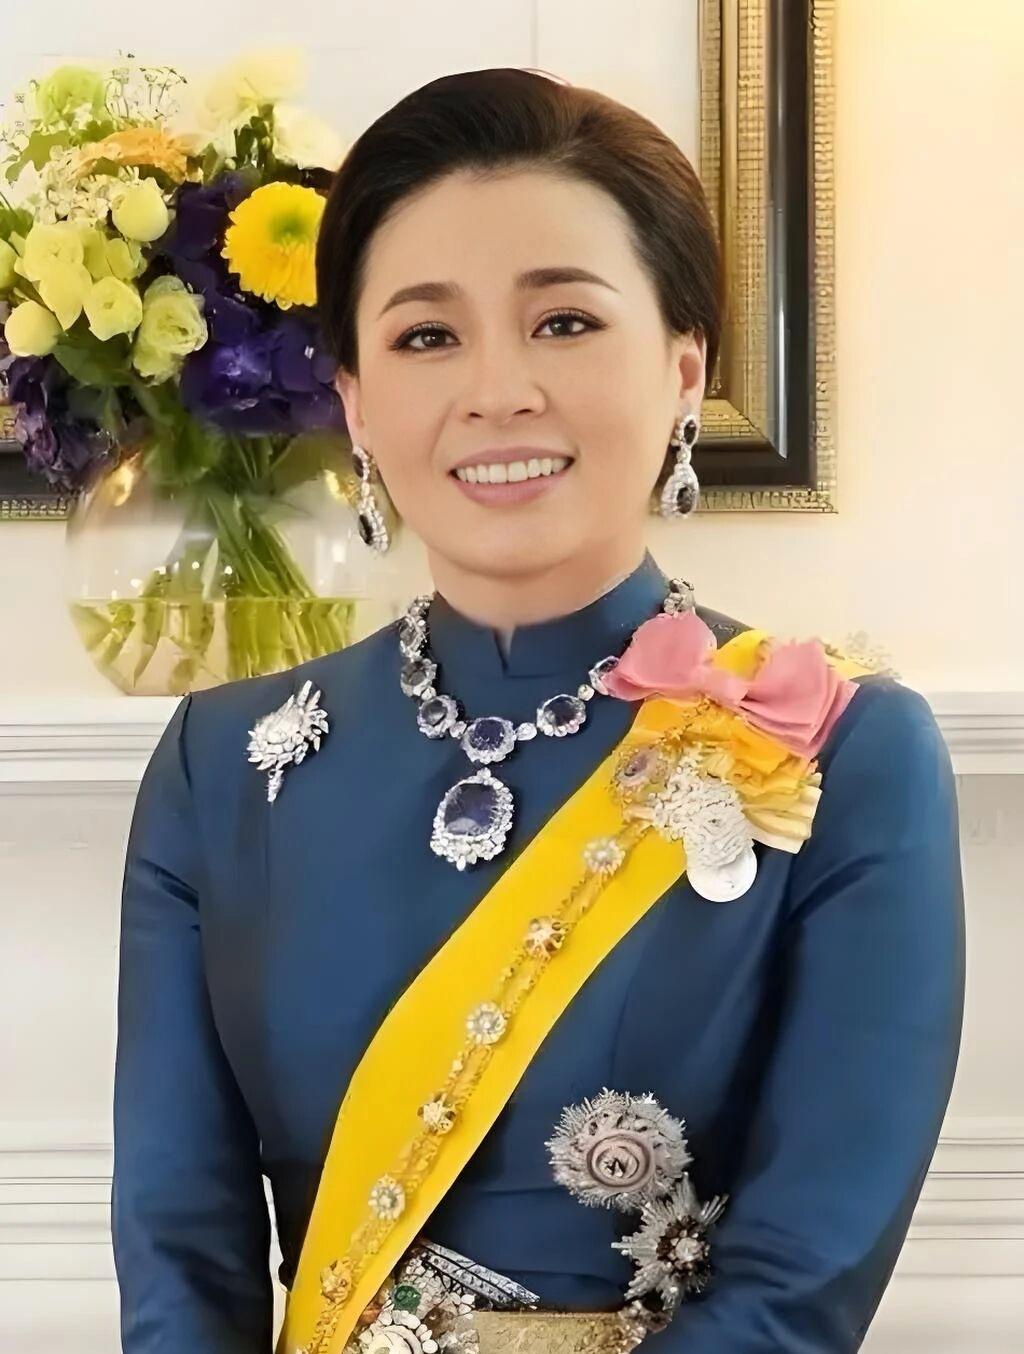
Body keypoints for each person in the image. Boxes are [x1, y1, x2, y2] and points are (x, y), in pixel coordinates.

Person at [111, 69, 966, 1354]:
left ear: (684, 368)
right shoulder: (218, 764)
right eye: (425, 336)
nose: (497, 389)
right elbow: (179, 1256)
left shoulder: (845, 746)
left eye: (562, 322)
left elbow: (799, 1286)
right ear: (355, 402)